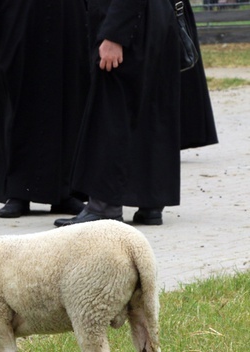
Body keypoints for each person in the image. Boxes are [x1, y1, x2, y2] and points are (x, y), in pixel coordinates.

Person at [54, 0, 217, 227]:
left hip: (129, 24)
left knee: (111, 113)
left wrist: (114, 34)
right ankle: (151, 202)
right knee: (152, 112)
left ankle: (104, 206)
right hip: (151, 20)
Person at [0, 0, 89, 218]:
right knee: (18, 104)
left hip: (69, 18)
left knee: (69, 103)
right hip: (17, 17)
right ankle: (17, 192)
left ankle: (64, 192)